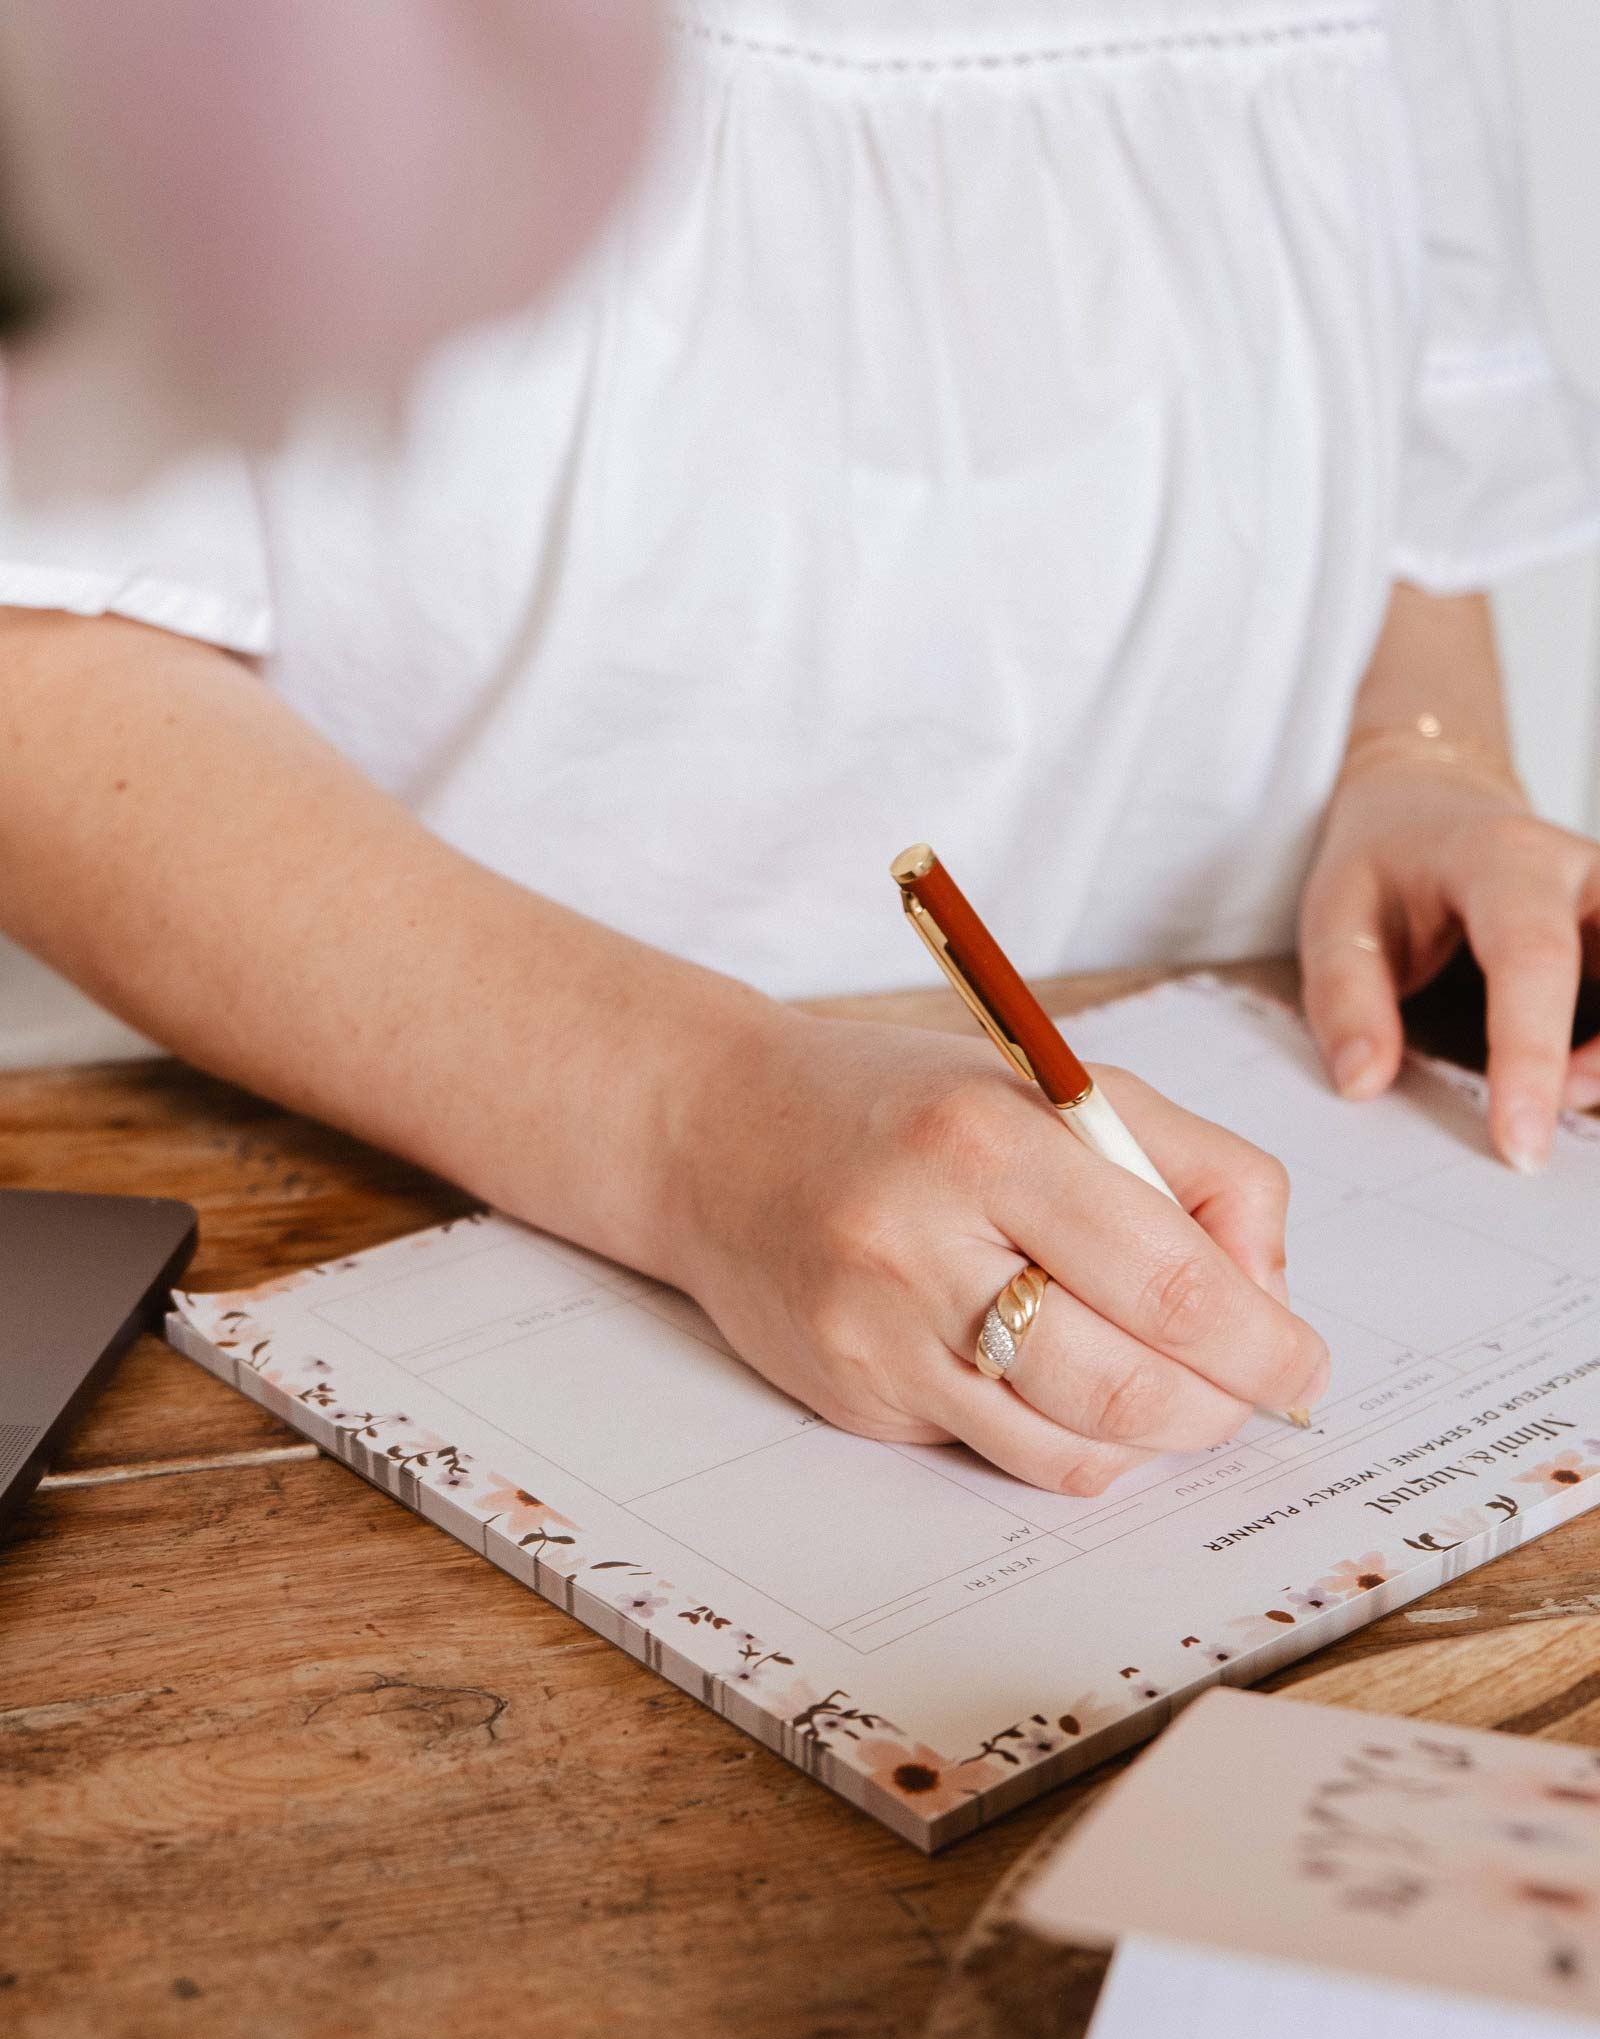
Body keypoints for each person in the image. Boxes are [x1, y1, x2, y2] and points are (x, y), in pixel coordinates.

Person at [0, 0, 1596, 1497]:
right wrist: (705, 1126)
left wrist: (1427, 761)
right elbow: (38, 655)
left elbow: (1413, 491)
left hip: (1262, 1105)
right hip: (441, 1227)